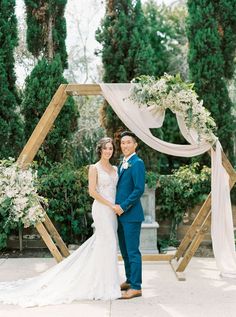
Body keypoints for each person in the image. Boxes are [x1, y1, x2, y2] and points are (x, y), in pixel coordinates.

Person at [0, 137, 121, 307]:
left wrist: (117, 206)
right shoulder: (94, 168)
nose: (108, 151)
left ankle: (108, 279)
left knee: (108, 244)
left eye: (111, 148)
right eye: (105, 148)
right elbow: (92, 192)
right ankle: (103, 284)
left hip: (113, 211)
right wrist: (111, 205)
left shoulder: (116, 168)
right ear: (99, 150)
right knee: (107, 241)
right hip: (102, 209)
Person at [112, 131, 145, 300]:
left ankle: (137, 287)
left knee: (132, 252)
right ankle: (130, 280)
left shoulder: (137, 163)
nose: (124, 145)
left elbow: (139, 189)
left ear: (135, 145)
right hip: (120, 215)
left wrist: (123, 207)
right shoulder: (122, 163)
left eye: (128, 142)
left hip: (131, 216)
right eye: (123, 143)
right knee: (124, 251)